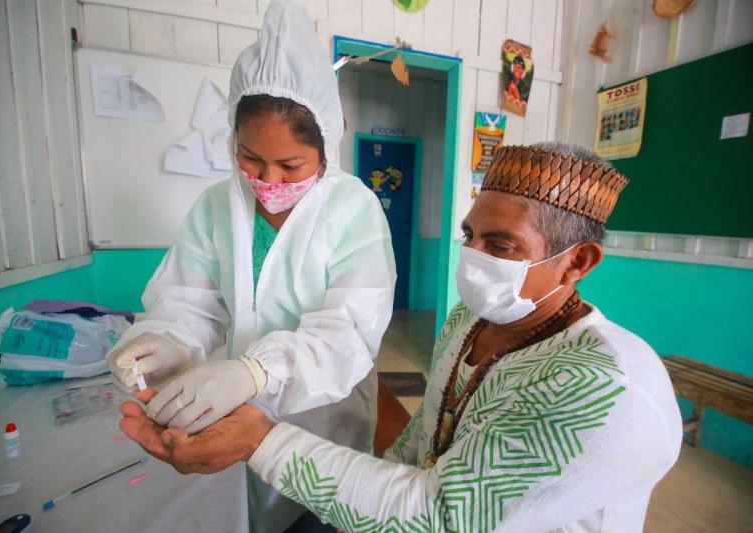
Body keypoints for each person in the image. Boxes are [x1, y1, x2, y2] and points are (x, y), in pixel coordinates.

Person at [120, 143, 683, 532]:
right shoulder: (470, 322)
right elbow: (422, 441)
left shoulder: (603, 389)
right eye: (469, 235)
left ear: (577, 261)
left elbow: (441, 517)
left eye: (502, 245)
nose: (473, 257)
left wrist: (258, 440)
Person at [106, 1, 396, 530]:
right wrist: (168, 339)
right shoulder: (218, 205)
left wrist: (257, 370)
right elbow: (188, 297)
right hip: (233, 411)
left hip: (324, 420)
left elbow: (350, 329)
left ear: (328, 142)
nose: (269, 180)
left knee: (314, 516)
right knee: (250, 512)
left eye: (291, 165)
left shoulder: (354, 210)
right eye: (249, 158)